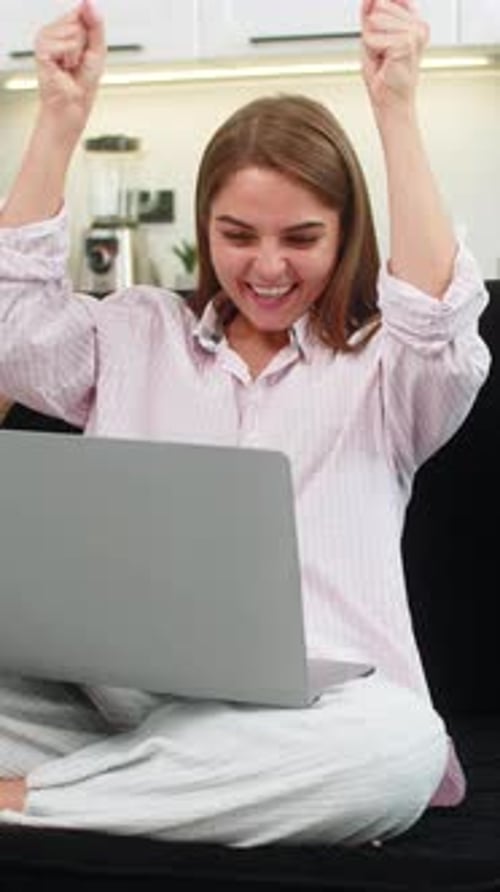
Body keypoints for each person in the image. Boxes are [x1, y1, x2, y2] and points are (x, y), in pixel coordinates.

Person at [0, 0, 490, 846]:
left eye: (302, 238)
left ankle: (31, 801)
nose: (267, 267)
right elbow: (11, 328)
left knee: (398, 748)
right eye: (237, 235)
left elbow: (437, 322)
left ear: (346, 236)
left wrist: (397, 109)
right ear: (205, 231)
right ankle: (158, 782)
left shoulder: (386, 370)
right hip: (121, 701)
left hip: (315, 717)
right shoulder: (134, 331)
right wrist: (58, 118)